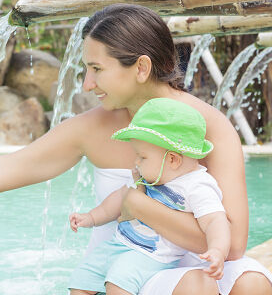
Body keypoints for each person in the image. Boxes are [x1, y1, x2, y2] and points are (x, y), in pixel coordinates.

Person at [0, 3, 272, 294]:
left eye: (96, 69)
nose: (88, 83)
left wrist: (138, 203)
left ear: (140, 67)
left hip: (201, 270)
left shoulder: (209, 129)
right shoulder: (92, 127)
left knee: (251, 282)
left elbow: (231, 246)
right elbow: (2, 170)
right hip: (123, 271)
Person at [68, 98, 230, 295]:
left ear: (172, 159)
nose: (136, 161)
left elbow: (215, 220)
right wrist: (91, 217)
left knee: (117, 284)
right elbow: (120, 198)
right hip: (118, 244)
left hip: (151, 256)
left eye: (142, 156)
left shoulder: (198, 186)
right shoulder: (148, 175)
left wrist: (217, 250)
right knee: (81, 279)